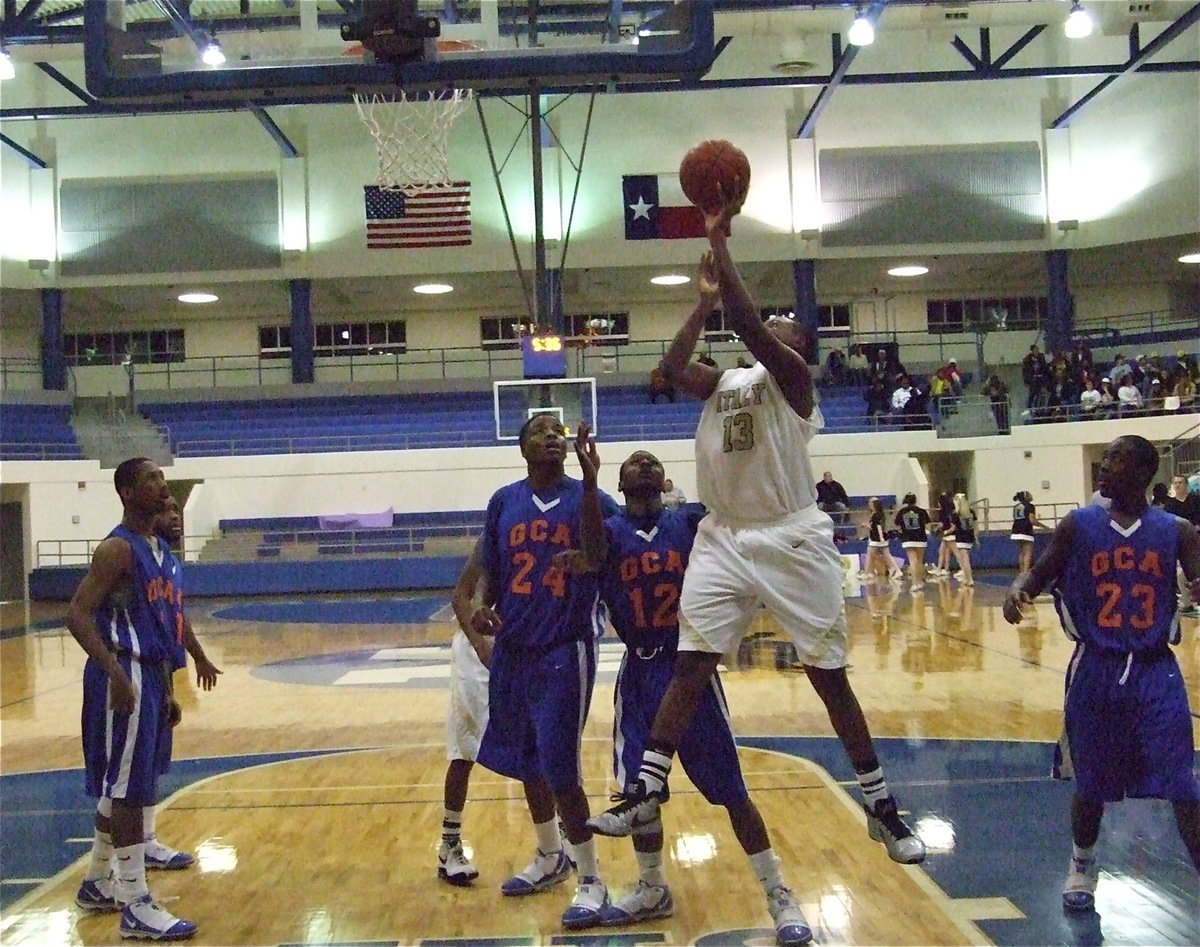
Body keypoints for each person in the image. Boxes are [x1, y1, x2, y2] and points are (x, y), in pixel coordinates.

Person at [587, 183, 925, 947]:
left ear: (797, 342)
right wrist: (701, 303)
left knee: (826, 672)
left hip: (792, 534)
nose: (766, 324)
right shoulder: (731, 381)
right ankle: (646, 784)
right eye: (764, 320)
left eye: (781, 323)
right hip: (726, 535)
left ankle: (878, 801)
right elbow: (673, 367)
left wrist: (721, 247)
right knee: (690, 661)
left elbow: (752, 323)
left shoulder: (792, 383)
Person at [566, 449, 804, 932]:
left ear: (666, 479)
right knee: (639, 793)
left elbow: (738, 531)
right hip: (638, 673)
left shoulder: (691, 523)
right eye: (635, 462)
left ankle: (779, 892)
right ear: (621, 479)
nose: (645, 465)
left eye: (652, 461)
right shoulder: (607, 532)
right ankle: (652, 886)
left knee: (732, 792)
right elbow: (589, 554)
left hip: (688, 671)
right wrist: (589, 483)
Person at [1002, 435, 1200, 914]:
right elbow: (1041, 572)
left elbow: (1197, 582)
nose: (1103, 467)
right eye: (1104, 458)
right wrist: (1018, 589)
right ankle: (1082, 864)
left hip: (1156, 670)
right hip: (1096, 667)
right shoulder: (1079, 524)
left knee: (1183, 784)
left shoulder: (1177, 531)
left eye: (1115, 459)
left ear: (1143, 472)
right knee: (1090, 785)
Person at [467, 415, 620, 930]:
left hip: (565, 643)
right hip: (514, 645)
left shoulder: (587, 497)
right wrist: (485, 606)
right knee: (527, 759)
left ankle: (593, 879)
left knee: (561, 766)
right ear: (523, 448)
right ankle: (551, 853)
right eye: (541, 432)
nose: (553, 437)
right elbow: (494, 567)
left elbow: (608, 555)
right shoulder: (502, 501)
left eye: (559, 432)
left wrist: (595, 482)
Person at [67, 458, 198, 941]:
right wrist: (115, 673)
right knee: (125, 792)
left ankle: (96, 883)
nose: (162, 486)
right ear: (126, 493)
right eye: (150, 480)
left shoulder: (154, 548)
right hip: (125, 675)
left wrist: (165, 687)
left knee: (127, 788)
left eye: (162, 478)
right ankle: (136, 903)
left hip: (149, 676)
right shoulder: (117, 549)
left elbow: (162, 626)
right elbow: (77, 615)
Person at [438, 539, 571, 892]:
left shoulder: (551, 538)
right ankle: (449, 845)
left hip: (521, 649)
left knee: (540, 747)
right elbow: (460, 596)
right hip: (478, 653)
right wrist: (481, 645)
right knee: (465, 751)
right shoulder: (495, 535)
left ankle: (556, 842)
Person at [145, 498, 221, 870]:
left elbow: (176, 615)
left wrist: (198, 655)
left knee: (153, 765)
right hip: (134, 672)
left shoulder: (170, 563)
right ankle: (111, 870)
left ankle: (145, 841)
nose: (174, 516)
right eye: (166, 509)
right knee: (129, 773)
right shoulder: (127, 553)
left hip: (161, 674)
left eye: (177, 509)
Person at [894, 493, 931, 591]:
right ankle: (919, 582)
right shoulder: (922, 511)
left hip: (907, 539)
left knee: (912, 561)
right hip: (921, 538)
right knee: (919, 561)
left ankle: (914, 583)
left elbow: (897, 526)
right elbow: (928, 525)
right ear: (915, 500)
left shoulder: (901, 512)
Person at [864, 496, 904, 581]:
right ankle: (895, 569)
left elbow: (879, 526)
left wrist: (881, 537)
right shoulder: (877, 514)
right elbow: (874, 527)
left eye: (871, 503)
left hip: (877, 539)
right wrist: (867, 526)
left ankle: (867, 573)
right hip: (877, 538)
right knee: (886, 555)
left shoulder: (876, 515)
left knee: (871, 554)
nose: (869, 504)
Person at [1011, 490, 1048, 575]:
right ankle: (1026, 572)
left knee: (1021, 552)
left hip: (1015, 530)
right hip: (1026, 530)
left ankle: (1021, 572)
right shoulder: (1030, 506)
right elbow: (1032, 520)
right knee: (1028, 552)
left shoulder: (1016, 506)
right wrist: (1043, 526)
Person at [949, 493, 975, 587]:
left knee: (965, 560)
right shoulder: (971, 511)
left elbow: (953, 528)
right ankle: (966, 578)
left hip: (961, 537)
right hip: (970, 536)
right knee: (967, 557)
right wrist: (976, 538)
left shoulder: (956, 514)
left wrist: (946, 532)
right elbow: (975, 526)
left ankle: (969, 579)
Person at [931, 492, 956, 577]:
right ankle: (945, 569)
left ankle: (940, 569)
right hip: (949, 534)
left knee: (945, 551)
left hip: (948, 534)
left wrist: (936, 528)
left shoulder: (943, 512)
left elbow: (942, 524)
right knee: (946, 551)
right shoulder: (951, 511)